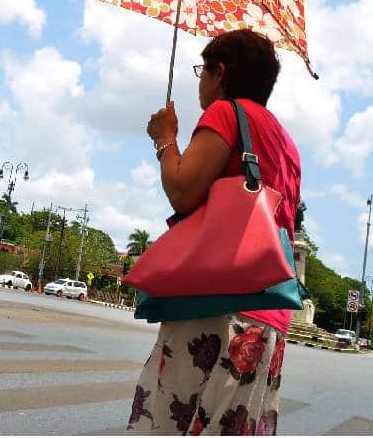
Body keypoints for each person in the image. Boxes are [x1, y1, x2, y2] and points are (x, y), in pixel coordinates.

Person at [128, 29, 300, 435]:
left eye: (201, 72)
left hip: (215, 309)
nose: (201, 83)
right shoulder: (285, 142)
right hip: (268, 319)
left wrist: (165, 139)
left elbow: (183, 191)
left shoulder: (226, 113)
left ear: (219, 72)